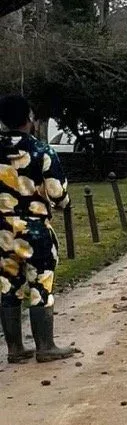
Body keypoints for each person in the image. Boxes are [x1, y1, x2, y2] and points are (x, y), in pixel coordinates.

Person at [0, 93, 78, 364]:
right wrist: (64, 204)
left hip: (3, 232)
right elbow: (57, 193)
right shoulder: (41, 151)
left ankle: (15, 348)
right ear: (29, 119)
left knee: (8, 286)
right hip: (34, 230)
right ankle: (45, 345)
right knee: (41, 284)